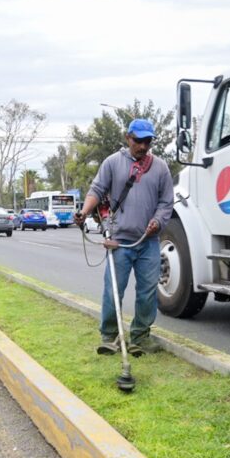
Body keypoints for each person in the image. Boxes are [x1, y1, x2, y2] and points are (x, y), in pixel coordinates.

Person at [75, 118, 174, 356]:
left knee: (147, 292)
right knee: (113, 291)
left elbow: (166, 202)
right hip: (119, 241)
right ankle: (109, 336)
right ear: (128, 138)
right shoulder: (112, 162)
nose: (143, 146)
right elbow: (97, 190)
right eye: (138, 141)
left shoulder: (160, 167)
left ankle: (140, 336)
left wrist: (158, 221)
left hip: (148, 241)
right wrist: (84, 212)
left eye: (147, 141)